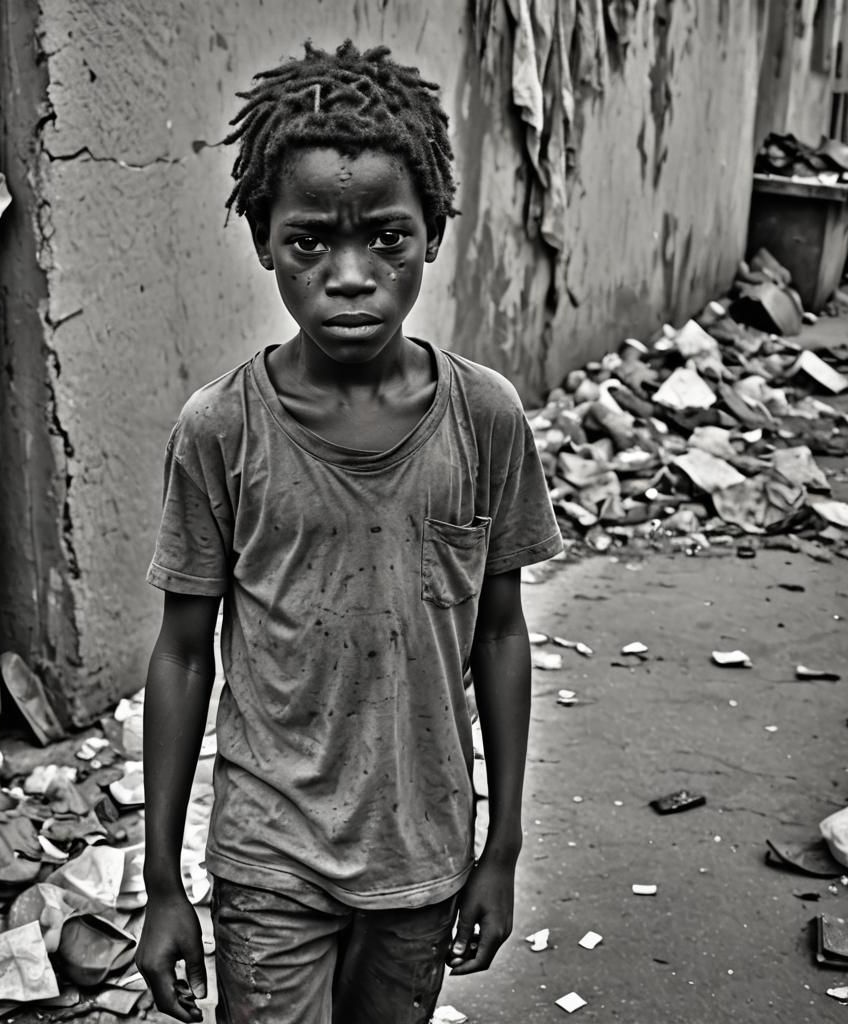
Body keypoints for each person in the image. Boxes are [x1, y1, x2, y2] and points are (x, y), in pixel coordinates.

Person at [134, 39, 563, 1024]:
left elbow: (498, 632)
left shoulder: (484, 418)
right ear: (262, 240)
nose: (351, 274)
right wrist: (164, 885)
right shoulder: (223, 429)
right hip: (270, 851)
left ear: (433, 233)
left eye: (386, 237)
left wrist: (501, 848)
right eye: (310, 241)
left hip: (420, 855)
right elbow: (184, 655)